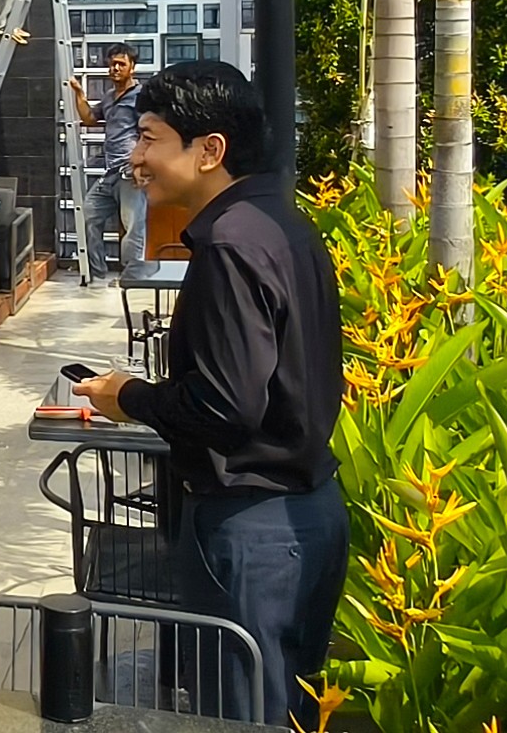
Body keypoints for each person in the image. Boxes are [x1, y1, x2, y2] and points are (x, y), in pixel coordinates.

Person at [70, 62, 347, 729]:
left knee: (237, 717)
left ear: (209, 151)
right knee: (281, 712)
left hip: (250, 529)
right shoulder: (282, 225)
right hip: (307, 514)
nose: (135, 158)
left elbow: (225, 409)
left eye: (149, 138)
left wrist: (129, 395)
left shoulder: (228, 246)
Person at [67, 43, 148, 281]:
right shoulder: (110, 97)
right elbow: (90, 119)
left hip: (130, 170)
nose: (115, 68)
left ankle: (132, 277)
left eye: (121, 64)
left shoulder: (141, 97)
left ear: (132, 67)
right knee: (89, 214)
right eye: (112, 64)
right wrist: (79, 94)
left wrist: (140, 164)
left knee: (133, 225)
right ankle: (96, 270)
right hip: (111, 172)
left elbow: (149, 131)